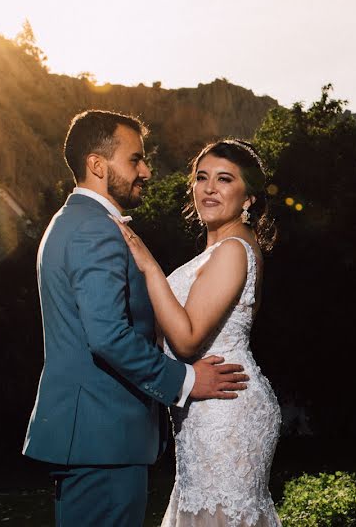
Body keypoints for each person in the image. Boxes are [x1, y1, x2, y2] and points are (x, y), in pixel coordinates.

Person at [23, 110, 249, 527]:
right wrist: (185, 380)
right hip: (102, 439)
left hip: (93, 440)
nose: (146, 170)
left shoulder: (75, 222)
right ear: (97, 165)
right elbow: (108, 336)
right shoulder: (95, 230)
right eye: (135, 159)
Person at [111, 139, 282, 527]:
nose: (209, 188)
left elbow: (186, 339)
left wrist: (149, 267)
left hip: (226, 402)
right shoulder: (215, 253)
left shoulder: (234, 250)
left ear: (249, 198)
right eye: (201, 177)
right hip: (202, 404)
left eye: (224, 179)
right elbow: (168, 334)